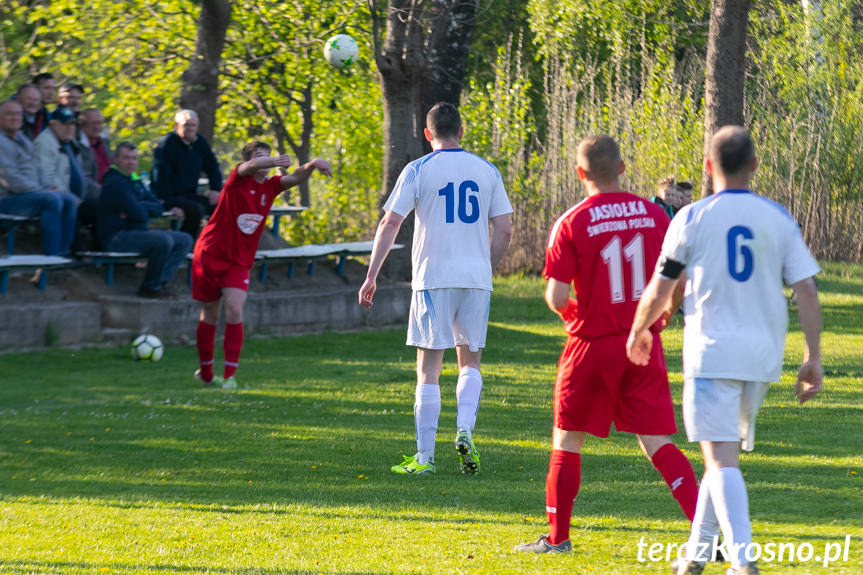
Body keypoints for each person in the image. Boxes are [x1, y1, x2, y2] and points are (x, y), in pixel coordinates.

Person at [627, 126, 823, 575]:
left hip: (712, 351)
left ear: (708, 167)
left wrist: (640, 328)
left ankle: (742, 559)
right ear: (754, 165)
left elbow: (662, 285)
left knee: (720, 460)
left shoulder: (691, 217)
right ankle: (696, 555)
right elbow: (807, 289)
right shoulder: (777, 217)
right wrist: (812, 356)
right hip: (762, 354)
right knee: (723, 456)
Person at [515, 134, 698, 554]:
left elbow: (557, 297)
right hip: (641, 343)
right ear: (621, 167)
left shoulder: (572, 221)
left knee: (567, 440)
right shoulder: (656, 216)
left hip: (591, 346)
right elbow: (679, 275)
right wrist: (666, 311)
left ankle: (557, 539)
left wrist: (578, 318)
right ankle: (703, 531)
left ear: (580, 173)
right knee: (659, 443)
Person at [358, 102, 513, 476]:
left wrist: (372, 274)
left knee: (428, 368)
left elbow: (390, 223)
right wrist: (484, 268)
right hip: (475, 281)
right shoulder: (486, 169)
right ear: (462, 130)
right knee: (469, 361)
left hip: (434, 278)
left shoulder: (418, 169)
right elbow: (505, 229)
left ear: (427, 134)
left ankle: (425, 458)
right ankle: (465, 430)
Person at [192, 141, 331, 388]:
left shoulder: (270, 187)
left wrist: (312, 164)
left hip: (238, 262)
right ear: (248, 160)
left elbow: (296, 177)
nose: (265, 160)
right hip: (211, 254)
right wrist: (275, 160)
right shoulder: (238, 178)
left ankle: (229, 376)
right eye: (260, 155)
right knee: (210, 314)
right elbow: (253, 165)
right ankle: (205, 372)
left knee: (234, 308)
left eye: (268, 155)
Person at [95, 142, 192, 298]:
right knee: (162, 240)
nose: (131, 162)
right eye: (126, 158)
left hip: (137, 232)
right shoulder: (114, 182)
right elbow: (139, 214)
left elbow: (157, 206)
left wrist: (139, 206)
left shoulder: (135, 181)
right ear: (116, 159)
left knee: (184, 239)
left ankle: (161, 283)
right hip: (117, 236)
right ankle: (150, 287)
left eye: (134, 158)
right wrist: (140, 209)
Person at [0, 100, 78, 256]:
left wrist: (49, 187)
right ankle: (52, 255)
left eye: (18, 114)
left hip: (30, 196)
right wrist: (43, 191)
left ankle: (63, 254)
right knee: (52, 200)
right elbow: (10, 178)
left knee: (69, 200)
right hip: (8, 199)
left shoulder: (24, 140)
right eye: (9, 114)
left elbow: (38, 169)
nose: (15, 117)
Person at [152, 109, 223, 239]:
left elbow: (212, 166)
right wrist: (170, 204)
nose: (190, 128)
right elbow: (160, 178)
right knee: (196, 210)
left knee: (221, 205)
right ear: (176, 126)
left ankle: (211, 245)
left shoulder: (199, 142)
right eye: (186, 125)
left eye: (193, 125)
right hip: (170, 195)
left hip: (189, 194)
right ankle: (185, 247)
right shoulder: (167, 144)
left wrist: (215, 189)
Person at [79, 108, 112, 185]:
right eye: (93, 123)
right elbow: (86, 179)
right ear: (82, 126)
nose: (97, 127)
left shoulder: (104, 142)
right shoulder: (79, 146)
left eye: (99, 123)